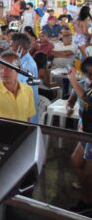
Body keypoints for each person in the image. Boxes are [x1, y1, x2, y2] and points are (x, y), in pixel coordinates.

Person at [67, 59, 92, 212]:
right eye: (89, 74)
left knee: (90, 174)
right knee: (76, 161)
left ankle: (87, 201)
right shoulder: (86, 84)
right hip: (87, 132)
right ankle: (87, 196)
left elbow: (89, 102)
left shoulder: (82, 86)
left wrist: (73, 81)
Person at [10, 33, 39, 123]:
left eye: (12, 47)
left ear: (20, 49)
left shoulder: (27, 66)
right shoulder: (20, 62)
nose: (10, 49)